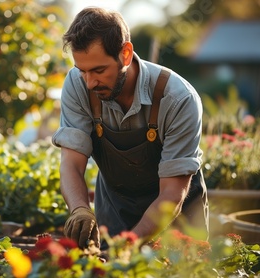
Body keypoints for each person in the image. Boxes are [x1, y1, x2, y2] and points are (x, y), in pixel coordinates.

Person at [51, 7, 209, 249]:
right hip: (117, 207)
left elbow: (171, 194)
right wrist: (80, 209)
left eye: (99, 70)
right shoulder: (77, 85)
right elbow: (71, 162)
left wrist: (130, 244)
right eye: (82, 71)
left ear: (125, 54)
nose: (90, 82)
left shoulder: (178, 99)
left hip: (177, 217)